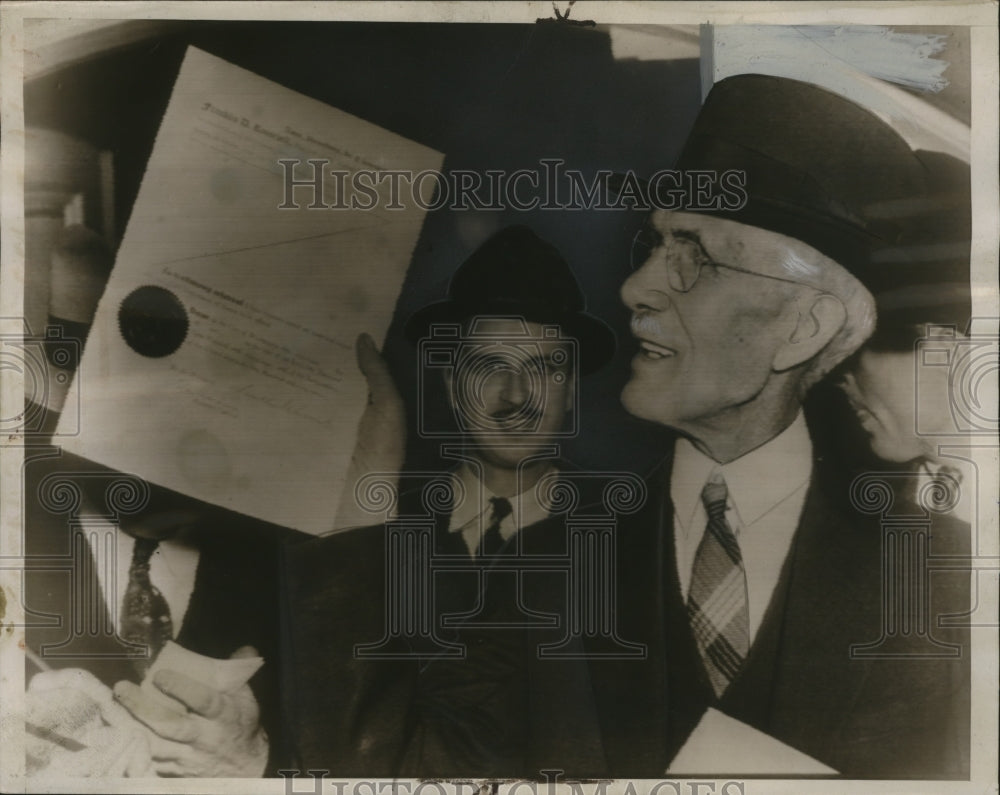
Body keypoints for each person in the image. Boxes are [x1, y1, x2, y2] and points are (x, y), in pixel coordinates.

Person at [345, 74, 971, 780]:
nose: (636, 287)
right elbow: (409, 768)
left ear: (802, 328)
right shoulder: (544, 561)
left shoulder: (948, 576)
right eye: (653, 244)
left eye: (694, 256)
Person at [283, 225, 617, 772]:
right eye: (489, 367)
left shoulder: (626, 534)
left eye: (544, 369)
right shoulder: (366, 525)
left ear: (573, 386)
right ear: (450, 381)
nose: (515, 396)